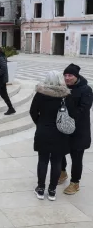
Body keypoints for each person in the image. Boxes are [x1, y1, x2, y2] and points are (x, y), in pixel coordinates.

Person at [29, 71, 74, 201]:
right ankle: (52, 191)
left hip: (43, 130)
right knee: (56, 161)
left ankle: (41, 189)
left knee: (42, 160)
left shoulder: (40, 94)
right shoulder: (66, 95)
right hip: (60, 133)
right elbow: (73, 113)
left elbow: (32, 111)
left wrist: (40, 123)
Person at [59, 64, 93, 195]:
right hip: (64, 128)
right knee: (60, 151)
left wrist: (69, 115)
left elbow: (84, 108)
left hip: (79, 130)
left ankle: (75, 182)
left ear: (76, 76)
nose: (67, 78)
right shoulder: (63, 88)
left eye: (70, 75)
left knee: (76, 157)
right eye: (65, 75)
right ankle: (62, 173)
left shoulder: (86, 90)